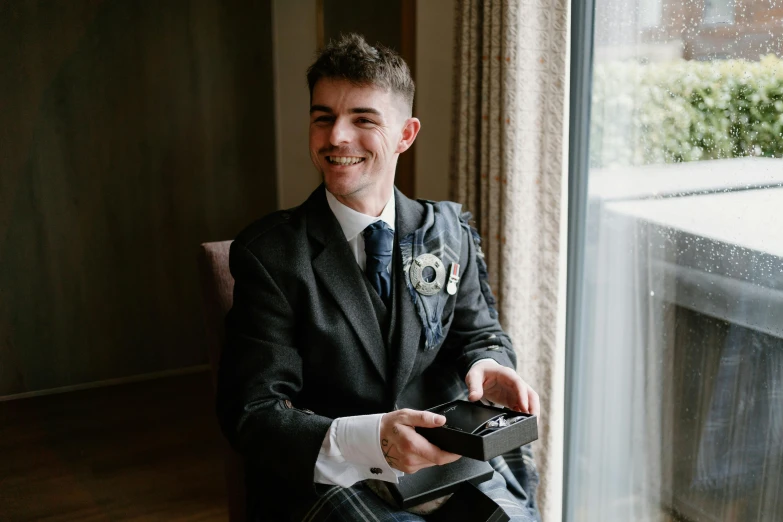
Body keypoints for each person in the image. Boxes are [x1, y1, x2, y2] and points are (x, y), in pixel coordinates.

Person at [216, 33, 541, 522]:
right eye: (323, 117)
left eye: (362, 119)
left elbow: (481, 333)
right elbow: (254, 412)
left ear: (406, 135)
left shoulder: (450, 230)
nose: (336, 137)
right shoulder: (270, 255)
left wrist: (490, 360)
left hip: (447, 466)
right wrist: (371, 439)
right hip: (329, 478)